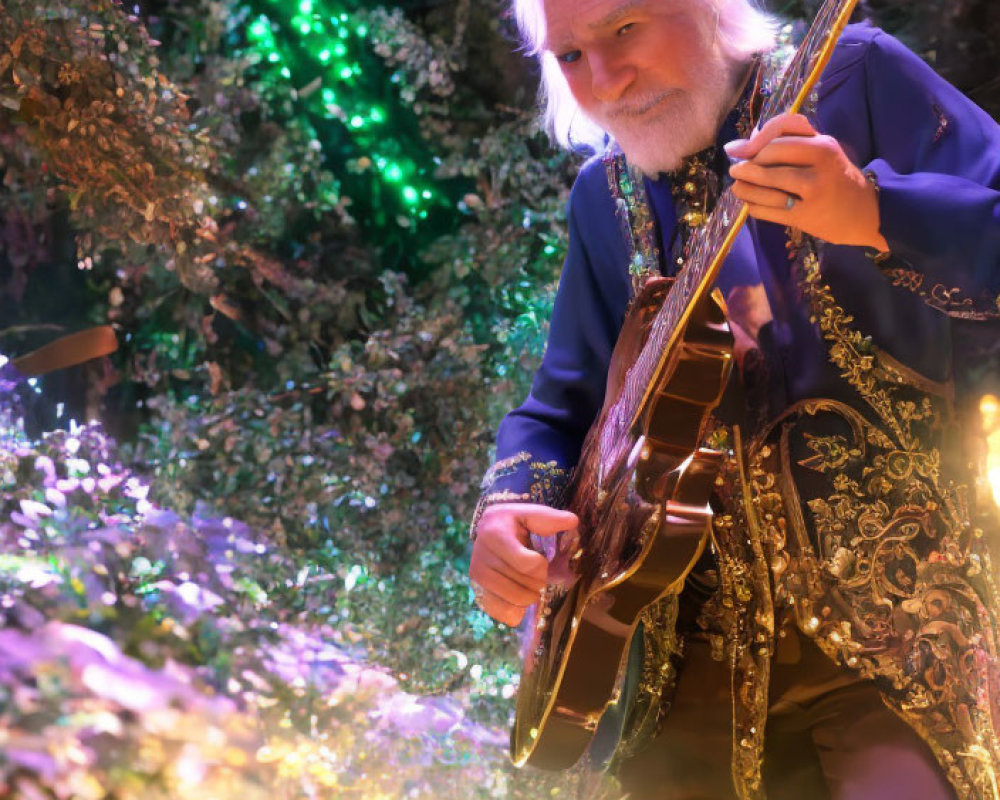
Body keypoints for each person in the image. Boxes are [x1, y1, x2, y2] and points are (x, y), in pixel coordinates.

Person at [468, 0, 1000, 798]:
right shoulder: (601, 197)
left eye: (625, 29)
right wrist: (507, 509)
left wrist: (873, 211)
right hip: (679, 690)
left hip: (898, 654)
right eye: (571, 56)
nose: (607, 81)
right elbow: (562, 406)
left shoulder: (849, 76)